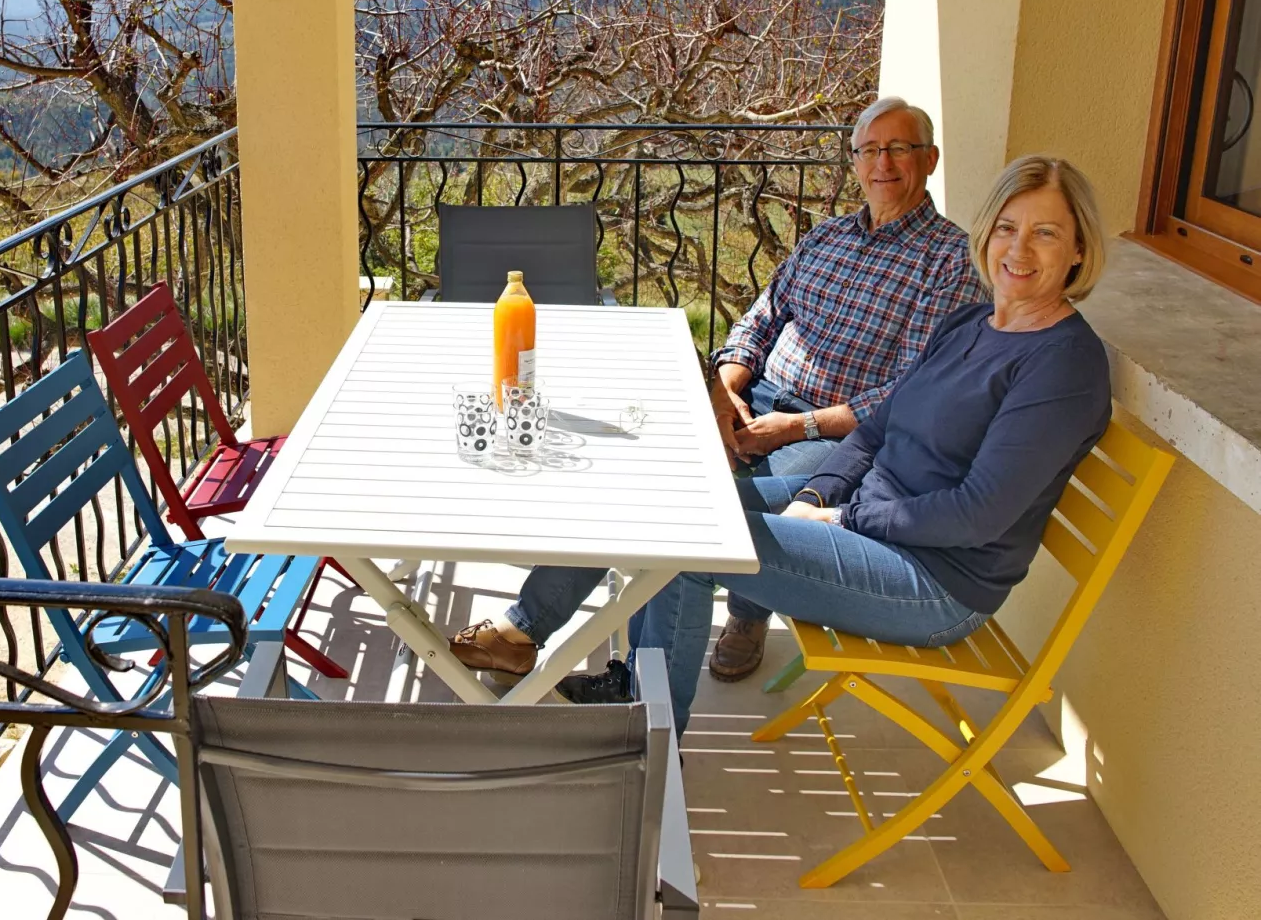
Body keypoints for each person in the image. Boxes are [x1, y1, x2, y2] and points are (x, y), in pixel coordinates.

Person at [554, 155, 1113, 738]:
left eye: (1045, 233)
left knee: (696, 548)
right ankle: (635, 689)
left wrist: (843, 518)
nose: (1019, 249)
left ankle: (650, 739)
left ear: (1078, 250)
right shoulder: (970, 323)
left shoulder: (1063, 366)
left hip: (935, 579)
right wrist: (817, 494)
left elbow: (977, 514)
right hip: (875, 519)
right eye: (1007, 227)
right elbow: (876, 429)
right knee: (675, 508)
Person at [449, 96, 985, 680]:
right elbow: (761, 319)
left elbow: (908, 393)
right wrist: (725, 393)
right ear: (853, 161)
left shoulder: (949, 260)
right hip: (754, 400)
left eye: (899, 149)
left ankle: (741, 616)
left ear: (930, 159)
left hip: (835, 434)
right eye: (870, 150)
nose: (882, 163)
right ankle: (526, 629)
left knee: (698, 513)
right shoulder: (827, 237)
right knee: (635, 476)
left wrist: (796, 426)